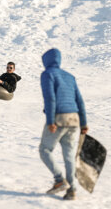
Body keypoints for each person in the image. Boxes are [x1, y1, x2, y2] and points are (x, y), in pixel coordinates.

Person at [38, 48, 89, 200]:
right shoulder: (69, 76)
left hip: (59, 118)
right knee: (69, 155)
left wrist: (51, 121)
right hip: (74, 120)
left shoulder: (47, 74)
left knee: (45, 150)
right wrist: (84, 123)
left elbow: (50, 98)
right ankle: (72, 190)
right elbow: (79, 100)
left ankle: (60, 180)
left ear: (46, 61)